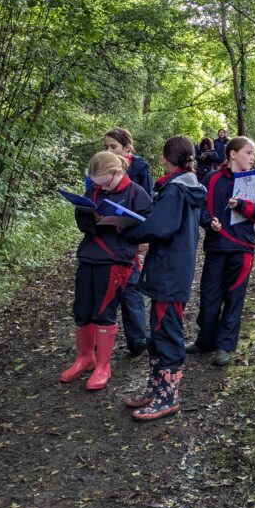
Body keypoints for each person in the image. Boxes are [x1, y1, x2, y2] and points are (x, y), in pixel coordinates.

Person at [123, 136, 207, 421]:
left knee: (167, 329)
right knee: (158, 329)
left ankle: (168, 395)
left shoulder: (175, 190)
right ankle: (156, 386)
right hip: (171, 268)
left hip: (171, 272)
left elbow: (160, 227)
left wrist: (130, 230)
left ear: (164, 159)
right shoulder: (188, 185)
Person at [61, 151, 153, 390]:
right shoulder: (93, 189)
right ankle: (85, 358)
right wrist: (94, 218)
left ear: (116, 173)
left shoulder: (135, 192)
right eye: (95, 182)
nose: (99, 186)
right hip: (90, 255)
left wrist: (122, 225)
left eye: (103, 181)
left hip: (117, 259)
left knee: (104, 311)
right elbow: (81, 221)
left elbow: (147, 224)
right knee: (82, 309)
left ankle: (103, 365)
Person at [188, 135, 255, 367]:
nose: (252, 157)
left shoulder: (253, 181)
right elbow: (201, 208)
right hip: (216, 246)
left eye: (253, 153)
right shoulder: (212, 178)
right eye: (248, 152)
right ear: (233, 154)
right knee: (209, 295)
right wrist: (208, 222)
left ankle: (225, 346)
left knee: (234, 297)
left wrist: (242, 205)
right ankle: (205, 341)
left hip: (242, 248)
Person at [103, 128, 154, 357]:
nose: (108, 151)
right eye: (106, 146)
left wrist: (144, 237)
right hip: (107, 234)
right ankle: (101, 340)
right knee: (106, 286)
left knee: (131, 286)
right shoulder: (102, 165)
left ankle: (137, 339)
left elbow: (148, 203)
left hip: (131, 234)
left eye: (113, 147)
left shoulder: (140, 168)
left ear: (127, 148)